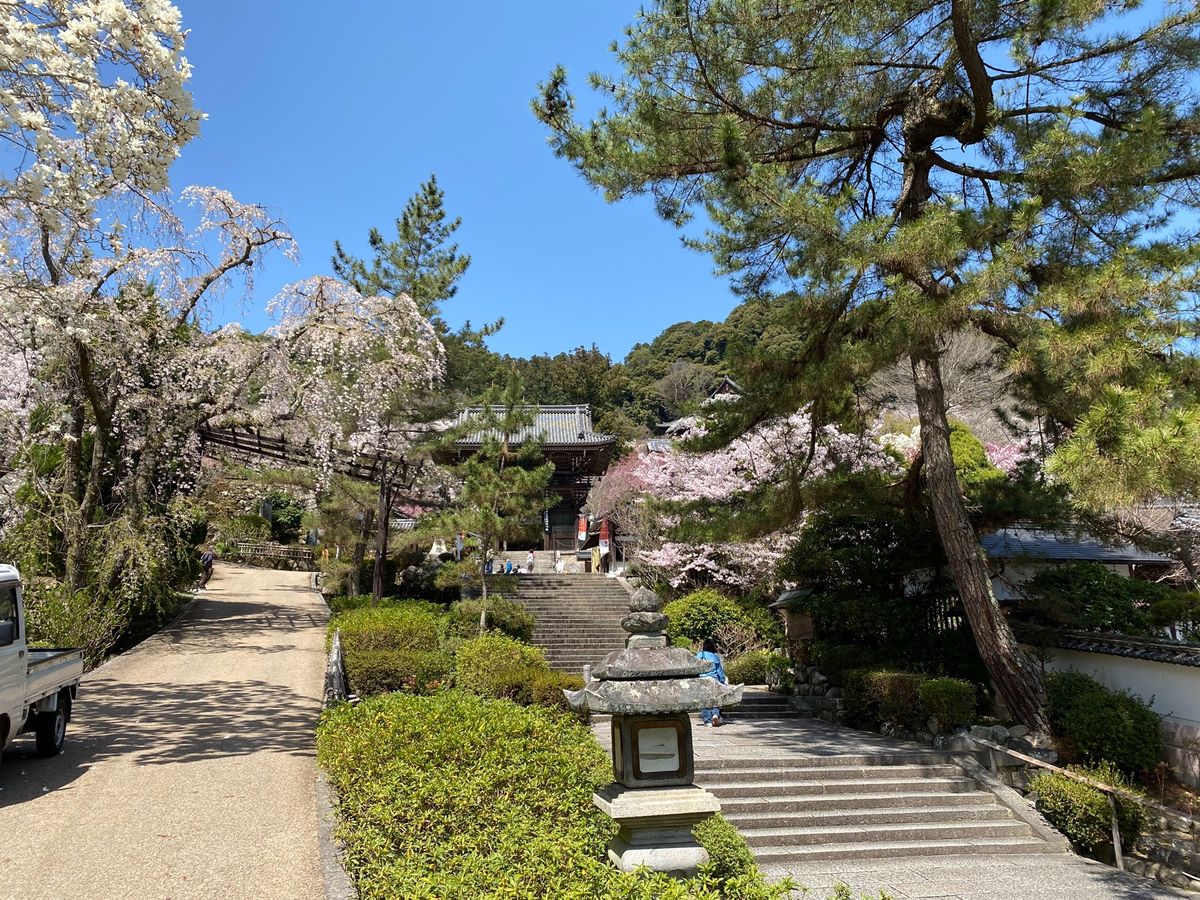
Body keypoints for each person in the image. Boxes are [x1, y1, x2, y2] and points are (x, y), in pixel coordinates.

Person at [696, 638, 727, 727]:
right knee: (715, 698)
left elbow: (695, 667)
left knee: (705, 700)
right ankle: (715, 714)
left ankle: (708, 721)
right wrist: (722, 680)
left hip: (703, 679)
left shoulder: (700, 655)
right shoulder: (715, 657)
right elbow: (719, 671)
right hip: (714, 679)